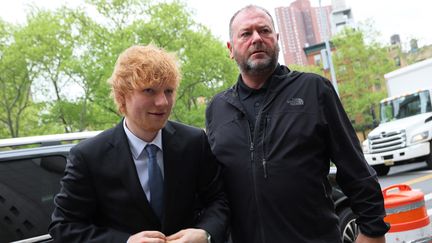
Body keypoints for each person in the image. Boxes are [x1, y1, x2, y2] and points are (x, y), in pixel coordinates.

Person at [205, 5, 389, 243]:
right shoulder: (217, 108)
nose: (257, 39)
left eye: (264, 31)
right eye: (246, 34)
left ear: (277, 40)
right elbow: (213, 190)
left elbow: (355, 168)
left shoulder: (314, 90)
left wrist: (373, 230)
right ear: (230, 49)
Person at [49, 44, 228, 243]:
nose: (163, 102)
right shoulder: (88, 157)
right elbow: (64, 227)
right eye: (149, 90)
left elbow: (218, 200)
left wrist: (206, 233)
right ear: (121, 96)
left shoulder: (193, 142)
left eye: (168, 91)